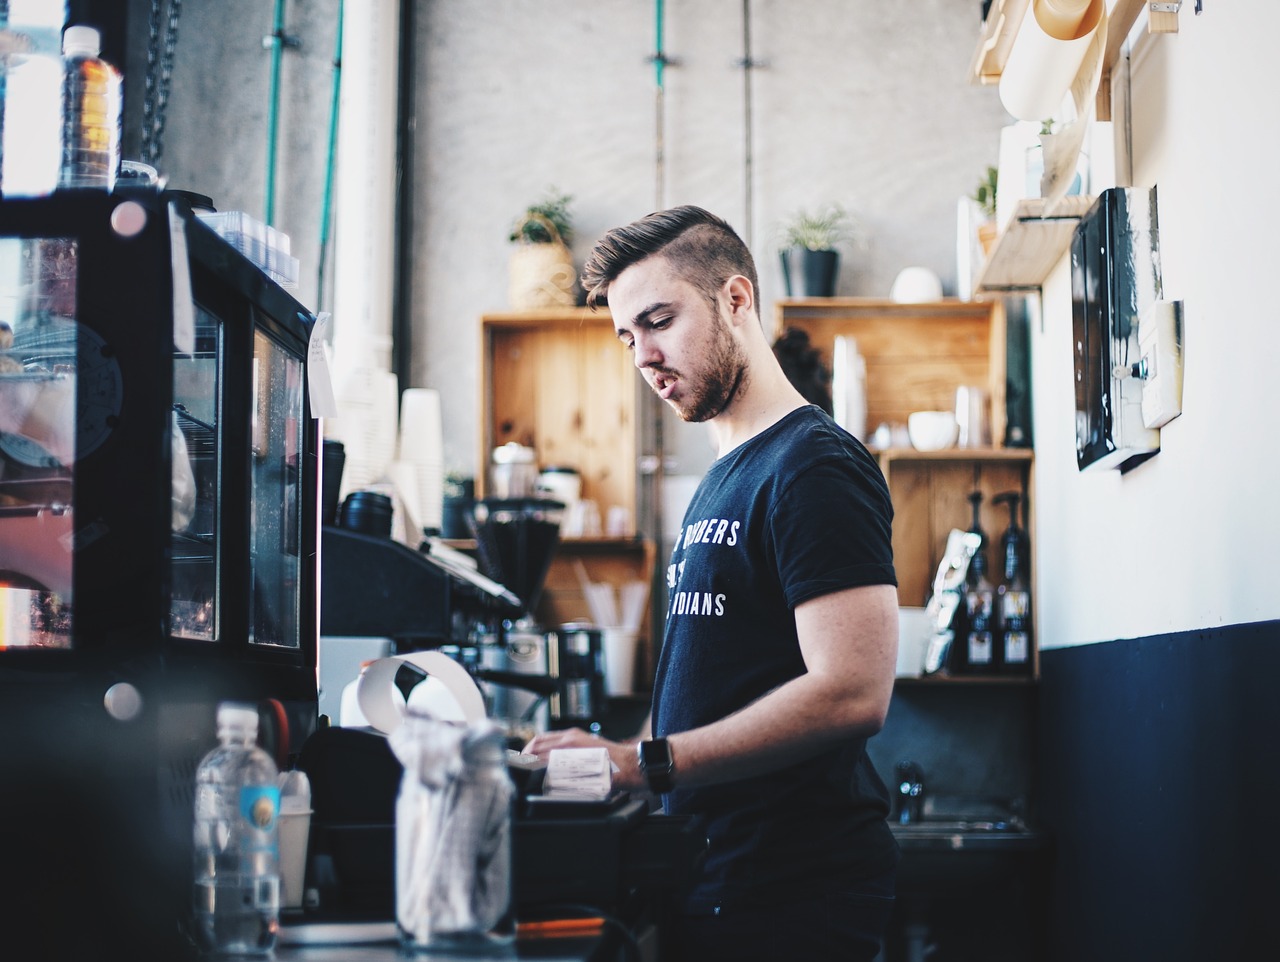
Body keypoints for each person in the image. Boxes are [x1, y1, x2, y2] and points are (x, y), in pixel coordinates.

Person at [525, 206, 900, 962]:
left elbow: (853, 692)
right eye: (628, 337)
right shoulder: (722, 476)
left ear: (736, 300)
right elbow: (720, 687)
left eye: (659, 321)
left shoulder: (813, 467)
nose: (643, 357)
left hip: (795, 897)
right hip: (721, 878)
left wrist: (644, 763)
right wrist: (623, 757)